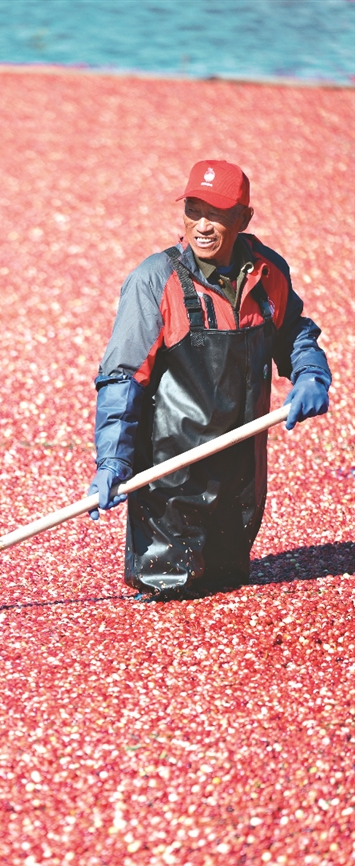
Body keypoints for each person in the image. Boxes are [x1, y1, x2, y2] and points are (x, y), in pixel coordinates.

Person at [88, 159, 331, 599]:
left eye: (216, 214)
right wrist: (112, 461)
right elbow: (123, 378)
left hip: (242, 478)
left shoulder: (266, 272)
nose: (201, 225)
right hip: (171, 481)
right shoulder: (154, 280)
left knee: (229, 587)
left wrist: (311, 372)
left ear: (243, 219)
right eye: (193, 210)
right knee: (166, 599)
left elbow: (294, 331)